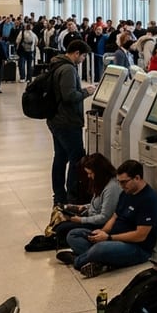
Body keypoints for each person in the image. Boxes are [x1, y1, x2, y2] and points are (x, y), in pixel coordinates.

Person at [60, 160, 157, 278]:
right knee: (73, 234)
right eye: (119, 182)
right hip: (113, 237)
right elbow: (115, 216)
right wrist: (103, 232)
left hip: (136, 247)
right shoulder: (126, 193)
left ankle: (77, 261)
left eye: (124, 182)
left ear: (137, 178)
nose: (121, 186)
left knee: (100, 248)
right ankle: (97, 261)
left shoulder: (149, 200)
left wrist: (109, 238)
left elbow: (140, 235)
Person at [47, 41, 97, 206]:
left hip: (56, 118)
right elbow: (69, 96)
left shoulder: (57, 64)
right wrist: (86, 92)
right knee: (77, 158)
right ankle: (72, 196)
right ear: (76, 53)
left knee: (60, 157)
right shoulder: (68, 69)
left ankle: (59, 196)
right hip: (67, 121)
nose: (83, 59)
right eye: (83, 56)